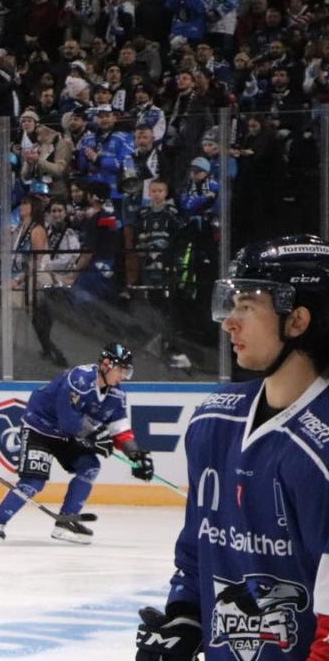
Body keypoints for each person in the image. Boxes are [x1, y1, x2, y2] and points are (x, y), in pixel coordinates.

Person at [136, 235, 329, 661]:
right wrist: (186, 617)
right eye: (232, 303)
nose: (229, 323)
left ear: (297, 320)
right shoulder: (214, 421)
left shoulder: (321, 448)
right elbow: (198, 547)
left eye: (247, 305)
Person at [0, 343, 153, 545]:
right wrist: (94, 436)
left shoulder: (116, 395)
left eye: (126, 371)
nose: (123, 376)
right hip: (39, 429)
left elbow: (119, 428)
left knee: (90, 467)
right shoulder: (79, 379)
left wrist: (135, 455)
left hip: (68, 436)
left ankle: (66, 521)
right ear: (105, 364)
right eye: (120, 369)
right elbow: (68, 421)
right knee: (33, 482)